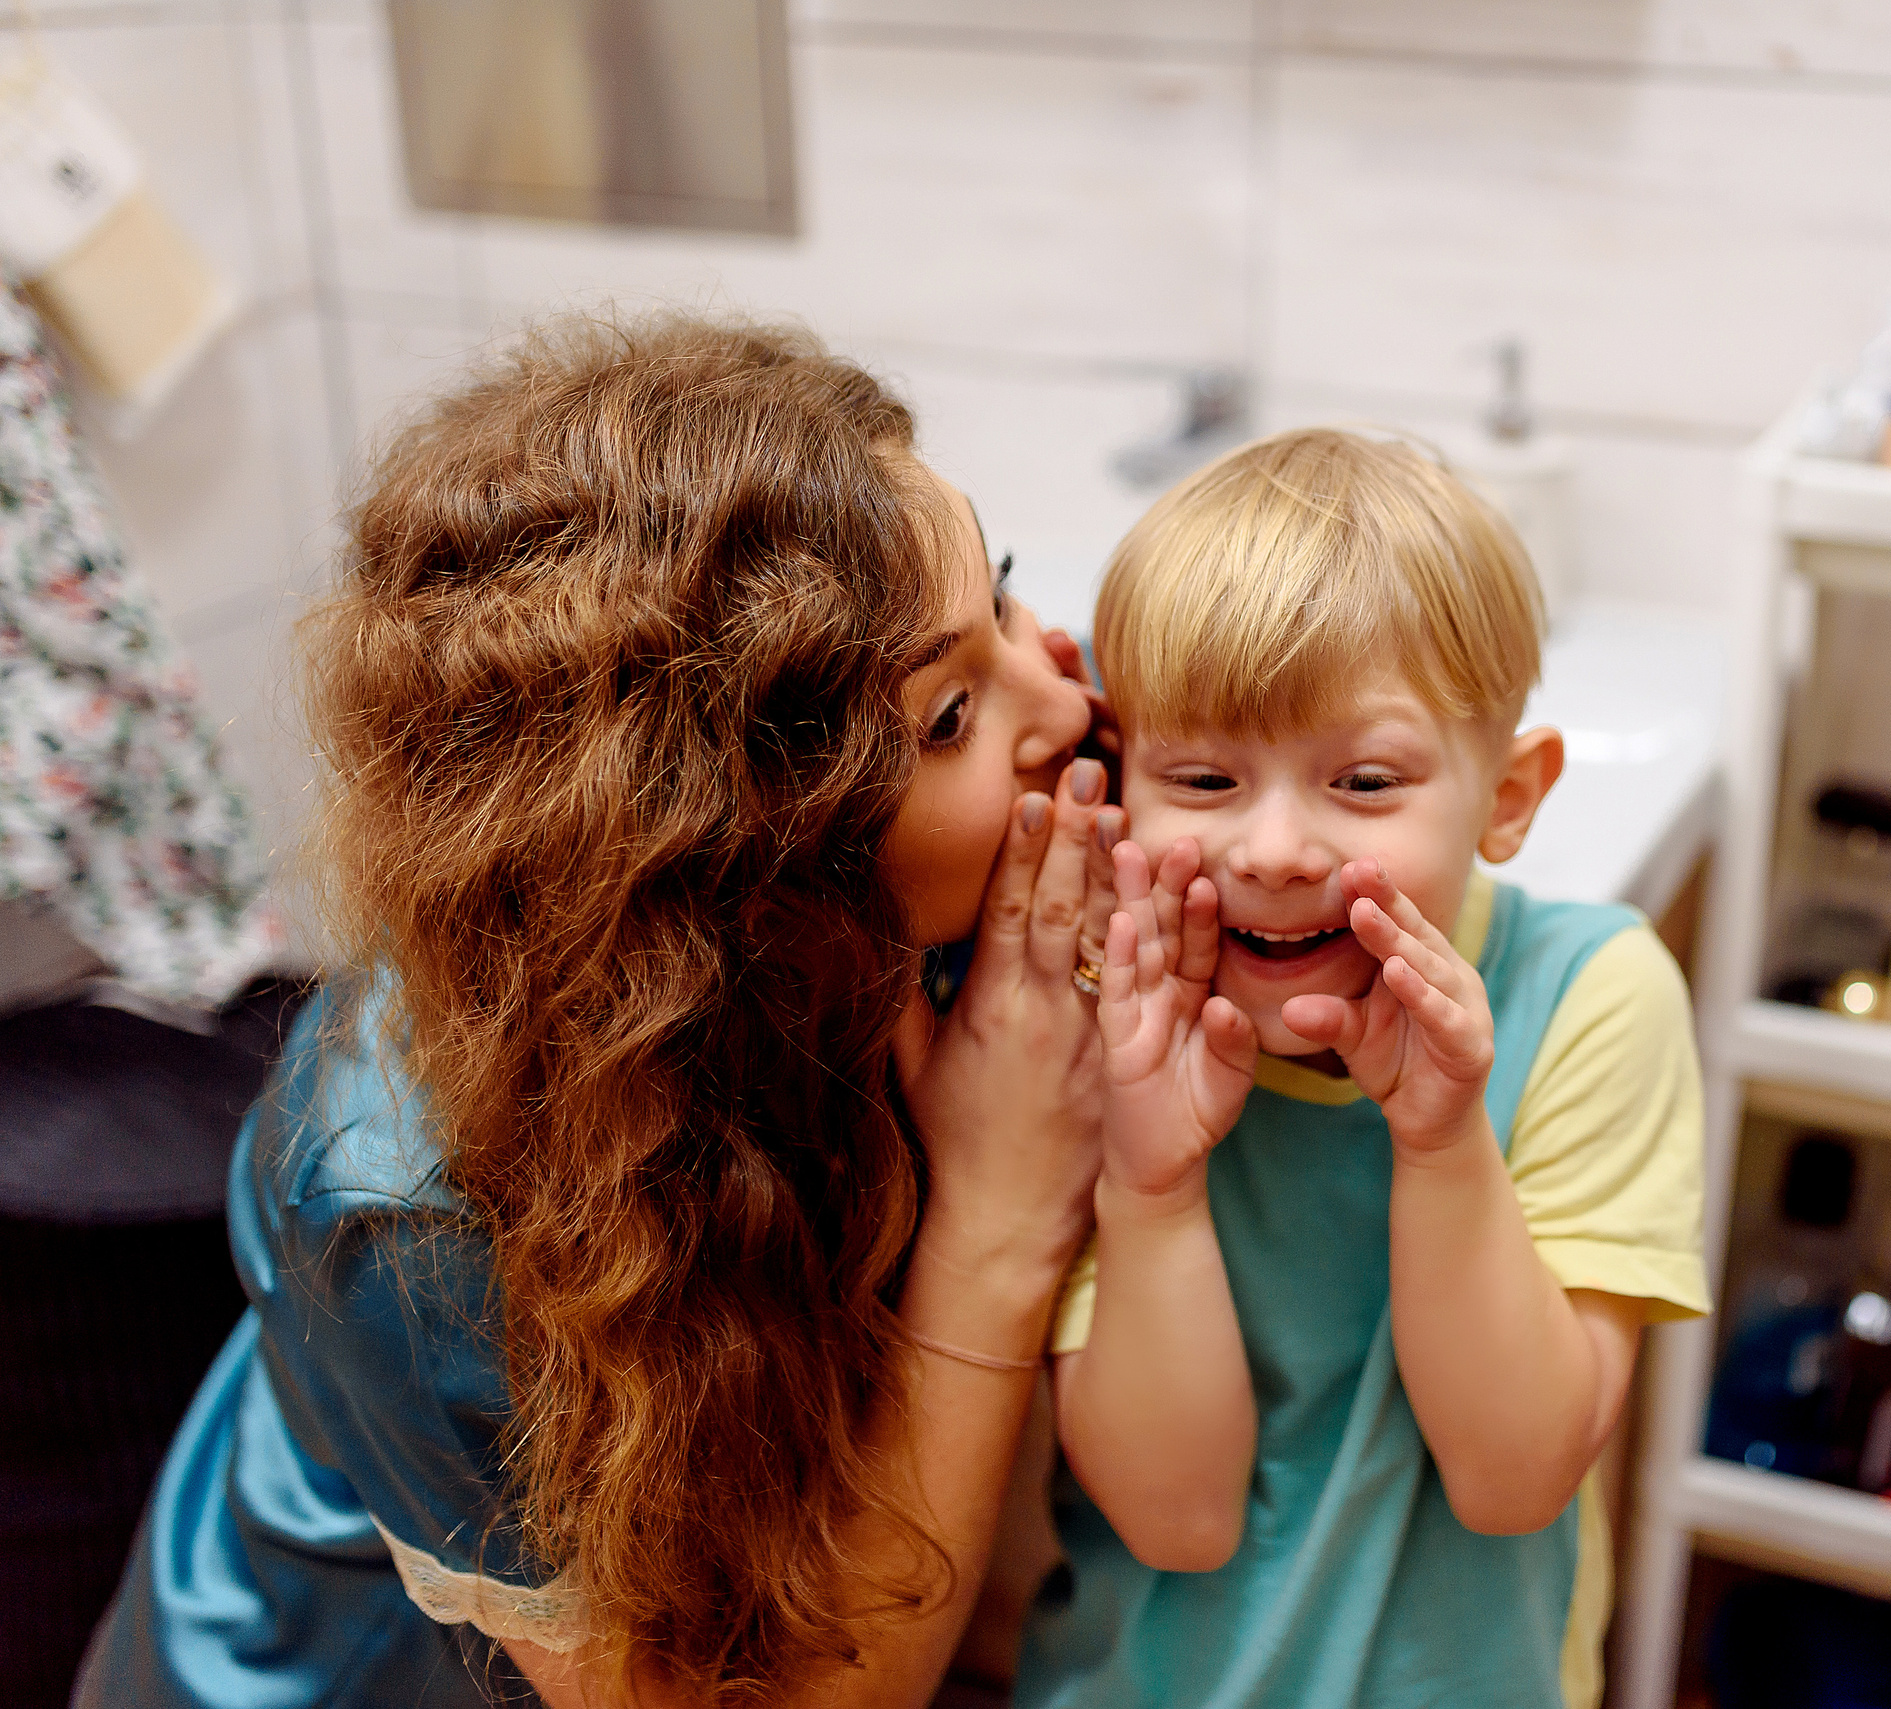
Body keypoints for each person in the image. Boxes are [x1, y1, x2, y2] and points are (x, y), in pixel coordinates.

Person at [77, 316, 1124, 1709]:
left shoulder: (905, 904)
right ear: (738, 861)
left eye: (998, 596)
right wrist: (998, 1218)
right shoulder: (408, 1202)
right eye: (947, 715)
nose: (1058, 689)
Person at [1014, 428, 1710, 1709]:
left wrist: (1443, 1143)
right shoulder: (1105, 1006)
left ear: (1508, 794)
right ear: (1125, 784)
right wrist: (1151, 1183)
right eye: (1205, 775)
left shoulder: (1586, 997)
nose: (1275, 846)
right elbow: (1178, 1520)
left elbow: (1509, 1479)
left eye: (1365, 779)